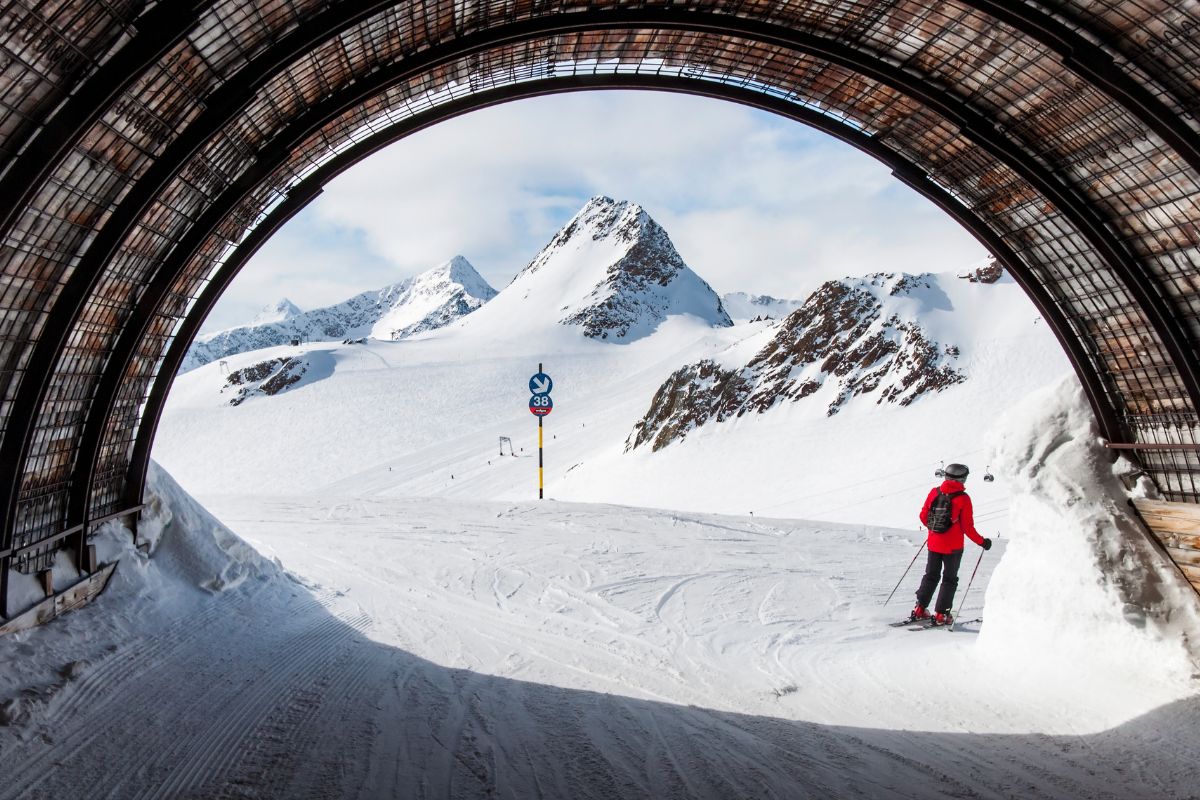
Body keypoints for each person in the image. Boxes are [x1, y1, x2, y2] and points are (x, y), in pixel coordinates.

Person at [911, 463, 992, 626]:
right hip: (953, 547)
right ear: (962, 479)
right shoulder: (963, 498)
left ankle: (920, 608)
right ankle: (941, 614)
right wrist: (983, 542)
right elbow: (967, 528)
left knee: (930, 575)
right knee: (949, 579)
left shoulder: (934, 492)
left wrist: (934, 529)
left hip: (934, 543)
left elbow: (923, 515)